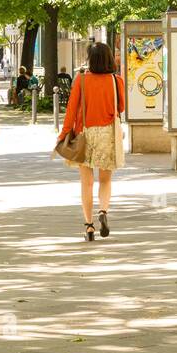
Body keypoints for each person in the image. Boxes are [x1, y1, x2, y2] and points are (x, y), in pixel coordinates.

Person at [57, 42, 126, 241]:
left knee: (86, 183)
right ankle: (103, 211)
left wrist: (63, 135)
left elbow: (71, 109)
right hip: (108, 135)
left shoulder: (81, 80)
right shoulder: (116, 80)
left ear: (90, 59)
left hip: (84, 133)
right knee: (105, 180)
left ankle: (88, 226)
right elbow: (120, 107)